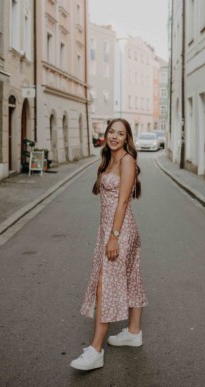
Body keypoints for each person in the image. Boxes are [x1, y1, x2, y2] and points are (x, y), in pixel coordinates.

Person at [70, 118, 148, 371]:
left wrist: (113, 236)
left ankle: (95, 351)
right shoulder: (108, 158)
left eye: (121, 133)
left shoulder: (127, 161)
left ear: (127, 138)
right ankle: (134, 332)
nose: (115, 136)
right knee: (131, 278)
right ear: (106, 134)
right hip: (111, 230)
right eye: (111, 132)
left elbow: (123, 202)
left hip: (120, 231)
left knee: (105, 285)